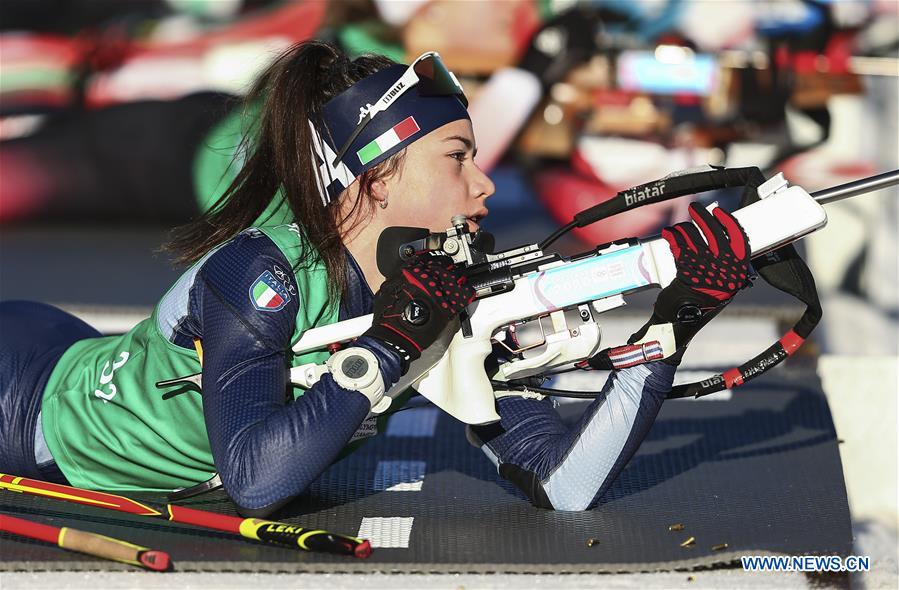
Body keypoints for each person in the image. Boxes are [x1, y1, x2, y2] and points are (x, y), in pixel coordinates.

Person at [0, 40, 751, 516]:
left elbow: (562, 486)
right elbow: (257, 483)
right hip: (22, 399)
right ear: (377, 175)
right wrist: (389, 347)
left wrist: (668, 330)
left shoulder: (444, 287)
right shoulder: (260, 273)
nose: (485, 186)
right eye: (457, 157)